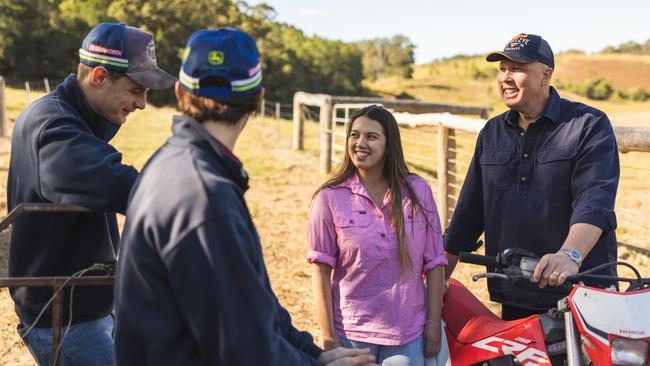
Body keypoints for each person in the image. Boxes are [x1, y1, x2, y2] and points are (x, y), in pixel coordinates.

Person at [113, 28, 377, 366]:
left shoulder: (174, 165)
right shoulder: (206, 198)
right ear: (259, 98)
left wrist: (315, 354)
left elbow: (254, 304)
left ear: (180, 92)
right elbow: (242, 349)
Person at [6, 22, 175, 365]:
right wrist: (186, 202)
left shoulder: (75, 117)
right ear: (99, 77)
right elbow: (116, 183)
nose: (142, 103)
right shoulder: (53, 126)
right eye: (135, 89)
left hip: (85, 306)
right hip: (65, 319)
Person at [443, 33, 620, 320]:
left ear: (545, 75)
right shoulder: (491, 133)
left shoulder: (588, 125)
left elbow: (594, 203)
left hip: (584, 295)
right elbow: (468, 215)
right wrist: (433, 286)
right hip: (516, 292)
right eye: (502, 69)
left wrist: (569, 256)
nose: (506, 78)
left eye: (518, 69)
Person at [307, 105, 448, 365]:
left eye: (371, 137)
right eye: (355, 135)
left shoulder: (417, 191)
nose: (360, 143)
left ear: (389, 144)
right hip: (350, 333)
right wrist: (328, 338)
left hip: (407, 334)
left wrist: (432, 322)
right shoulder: (329, 198)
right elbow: (320, 271)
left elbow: (435, 262)